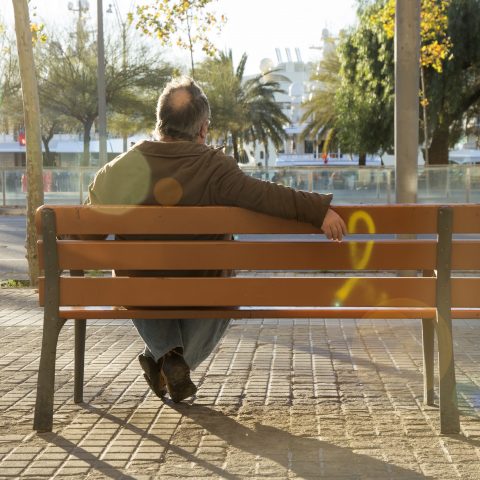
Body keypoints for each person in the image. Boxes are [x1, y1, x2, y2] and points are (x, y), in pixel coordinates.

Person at [85, 76, 347, 404]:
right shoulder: (215, 168)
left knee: (130, 271)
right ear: (203, 129)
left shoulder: (120, 169)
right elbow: (267, 195)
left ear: (159, 122)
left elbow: (84, 237)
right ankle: (166, 362)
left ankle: (165, 357)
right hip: (204, 294)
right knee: (225, 284)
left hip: (143, 293)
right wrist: (318, 211)